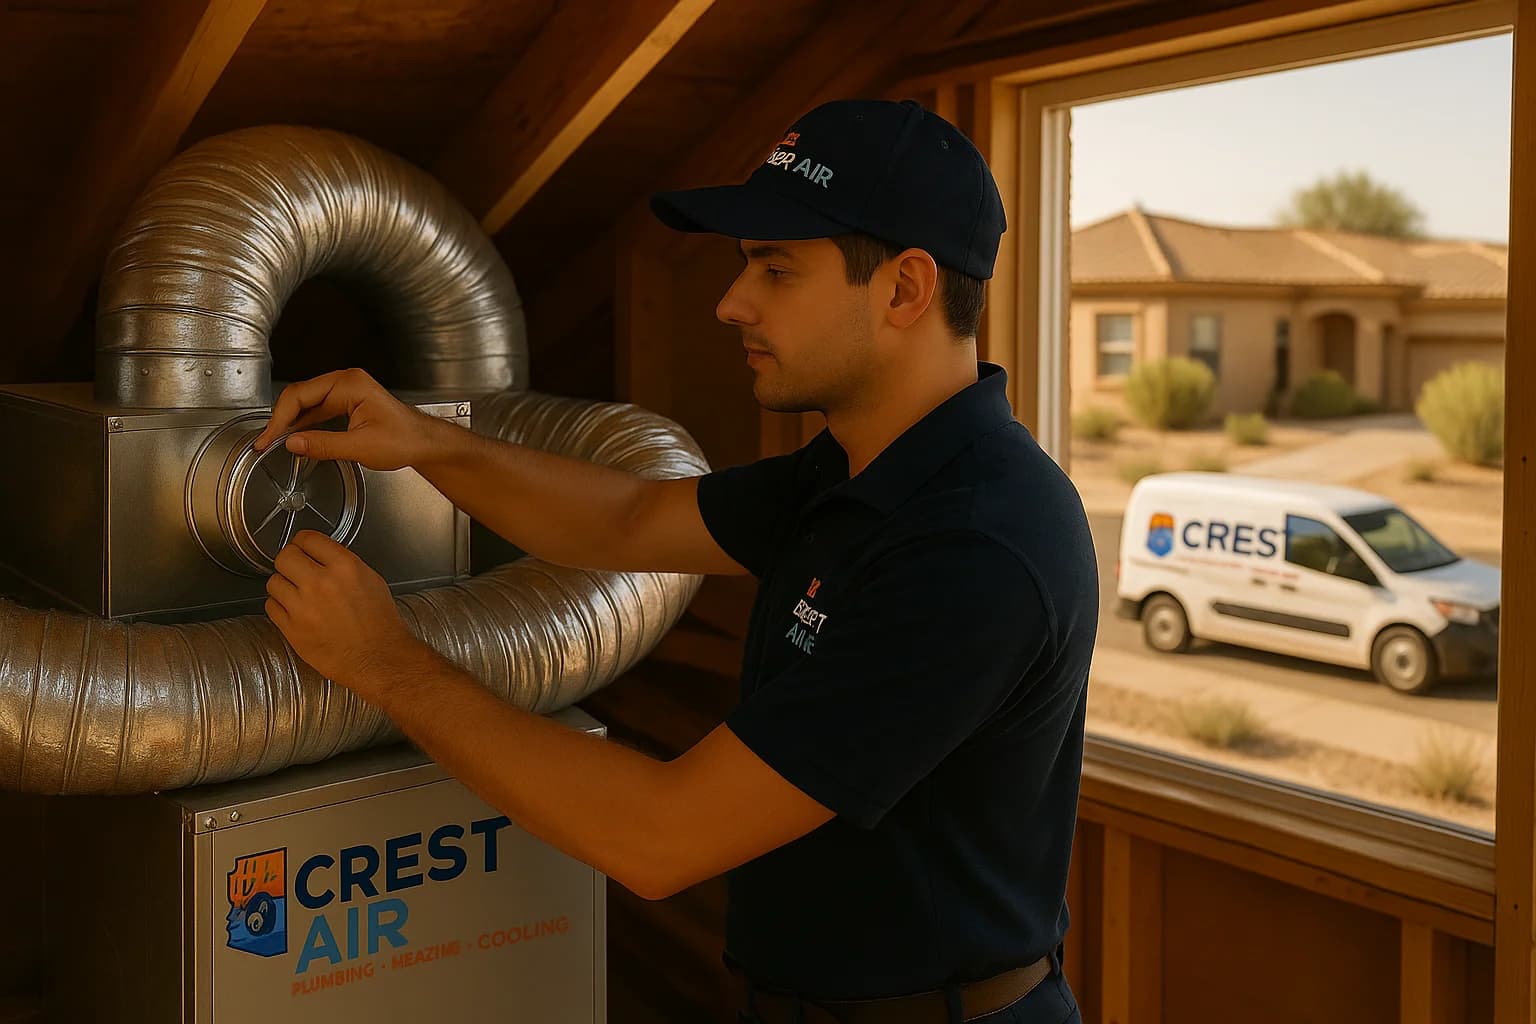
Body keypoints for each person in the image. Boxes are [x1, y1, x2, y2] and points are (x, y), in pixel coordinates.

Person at [253, 97, 1096, 1024]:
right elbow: (629, 518)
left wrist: (383, 660)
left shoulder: (971, 546)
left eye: (777, 270)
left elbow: (660, 836)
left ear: (904, 290)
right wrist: (425, 443)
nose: (733, 304)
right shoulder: (865, 470)